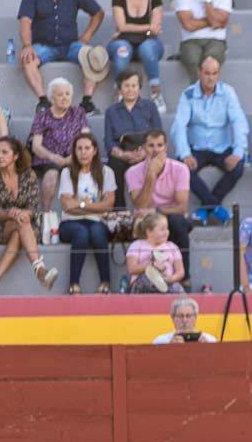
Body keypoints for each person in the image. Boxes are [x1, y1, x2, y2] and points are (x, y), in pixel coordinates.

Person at [171, 55, 248, 226]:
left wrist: (237, 152)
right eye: (207, 73)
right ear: (199, 72)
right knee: (182, 168)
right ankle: (216, 207)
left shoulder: (228, 92)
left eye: (214, 73)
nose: (211, 77)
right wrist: (185, 154)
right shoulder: (188, 94)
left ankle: (206, 208)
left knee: (238, 167)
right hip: (197, 147)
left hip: (222, 146)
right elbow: (179, 126)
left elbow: (239, 121)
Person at [0, 136, 55, 296]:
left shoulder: (28, 175)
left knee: (19, 230)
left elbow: (34, 207)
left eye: (4, 152)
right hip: (2, 227)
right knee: (19, 223)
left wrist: (23, 213)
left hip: (27, 226)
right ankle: (39, 268)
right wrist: (11, 213)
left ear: (15, 156)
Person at [17, 0, 106, 114]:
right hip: (44, 46)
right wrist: (27, 45)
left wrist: (87, 36)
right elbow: (25, 21)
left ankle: (87, 102)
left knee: (92, 56)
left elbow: (98, 13)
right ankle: (43, 102)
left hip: (70, 46)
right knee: (28, 59)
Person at [127, 129, 193, 285]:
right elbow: (140, 204)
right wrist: (150, 175)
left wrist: (157, 211)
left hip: (170, 215)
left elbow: (182, 207)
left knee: (177, 223)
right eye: (151, 146)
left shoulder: (180, 169)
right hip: (145, 218)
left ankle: (184, 279)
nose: (155, 150)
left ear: (166, 148)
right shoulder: (133, 172)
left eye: (159, 145)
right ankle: (139, 281)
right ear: (143, 148)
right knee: (147, 225)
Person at [58, 133, 116, 294]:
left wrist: (81, 204)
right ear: (74, 152)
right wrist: (96, 206)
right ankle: (73, 284)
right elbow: (67, 207)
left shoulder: (106, 172)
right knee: (81, 232)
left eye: (87, 148)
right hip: (70, 222)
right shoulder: (67, 172)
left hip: (98, 222)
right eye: (79, 149)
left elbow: (109, 205)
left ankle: (106, 282)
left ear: (95, 150)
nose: (83, 152)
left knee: (97, 232)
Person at [29, 77, 91, 212]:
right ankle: (45, 213)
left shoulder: (78, 113)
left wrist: (74, 156)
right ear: (52, 98)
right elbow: (36, 146)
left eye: (67, 94)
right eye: (60, 94)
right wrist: (53, 157)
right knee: (51, 175)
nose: (64, 98)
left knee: (81, 172)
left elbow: (86, 138)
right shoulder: (42, 116)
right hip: (48, 158)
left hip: (75, 156)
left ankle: (80, 211)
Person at [103, 69, 162, 205]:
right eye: (126, 86)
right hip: (122, 154)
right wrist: (123, 154)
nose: (130, 89)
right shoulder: (111, 112)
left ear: (139, 88)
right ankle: (119, 212)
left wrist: (145, 152)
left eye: (134, 86)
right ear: (119, 90)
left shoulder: (150, 107)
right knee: (113, 167)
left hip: (147, 152)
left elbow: (158, 135)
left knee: (152, 164)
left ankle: (149, 209)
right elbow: (109, 142)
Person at [107, 0, 167, 113]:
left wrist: (129, 29)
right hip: (124, 41)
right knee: (121, 50)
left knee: (147, 49)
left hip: (148, 42)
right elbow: (121, 26)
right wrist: (148, 28)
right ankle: (119, 95)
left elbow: (155, 30)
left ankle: (156, 94)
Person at [173, 0, 232, 79]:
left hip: (216, 40)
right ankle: (198, 90)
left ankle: (207, 91)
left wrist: (208, 0)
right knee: (192, 60)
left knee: (211, 63)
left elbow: (216, 21)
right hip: (190, 41)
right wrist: (213, 21)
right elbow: (189, 25)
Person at [126, 210, 185, 293]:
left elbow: (180, 272)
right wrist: (151, 265)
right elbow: (132, 269)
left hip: (167, 281)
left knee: (178, 289)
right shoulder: (137, 245)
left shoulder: (172, 246)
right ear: (149, 232)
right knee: (148, 279)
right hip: (143, 282)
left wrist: (170, 279)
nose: (166, 232)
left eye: (167, 228)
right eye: (162, 229)